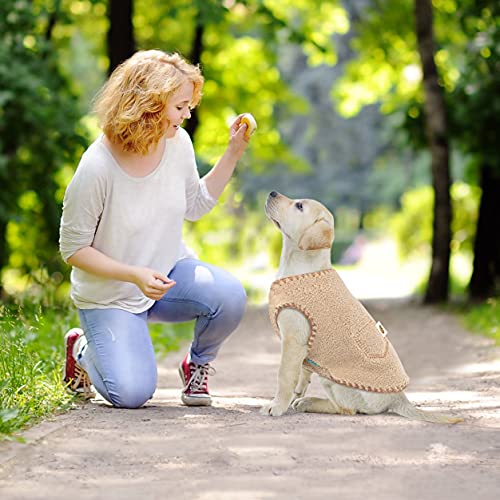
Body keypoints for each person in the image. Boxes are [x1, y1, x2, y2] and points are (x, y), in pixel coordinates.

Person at [59, 50, 250, 409]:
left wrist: (233, 153)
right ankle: (82, 348)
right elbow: (73, 249)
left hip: (167, 276)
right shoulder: (97, 167)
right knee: (131, 394)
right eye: (181, 106)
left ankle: (197, 366)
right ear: (150, 104)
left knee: (229, 296)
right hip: (111, 295)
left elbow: (196, 205)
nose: (188, 114)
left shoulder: (177, 144)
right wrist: (133, 275)